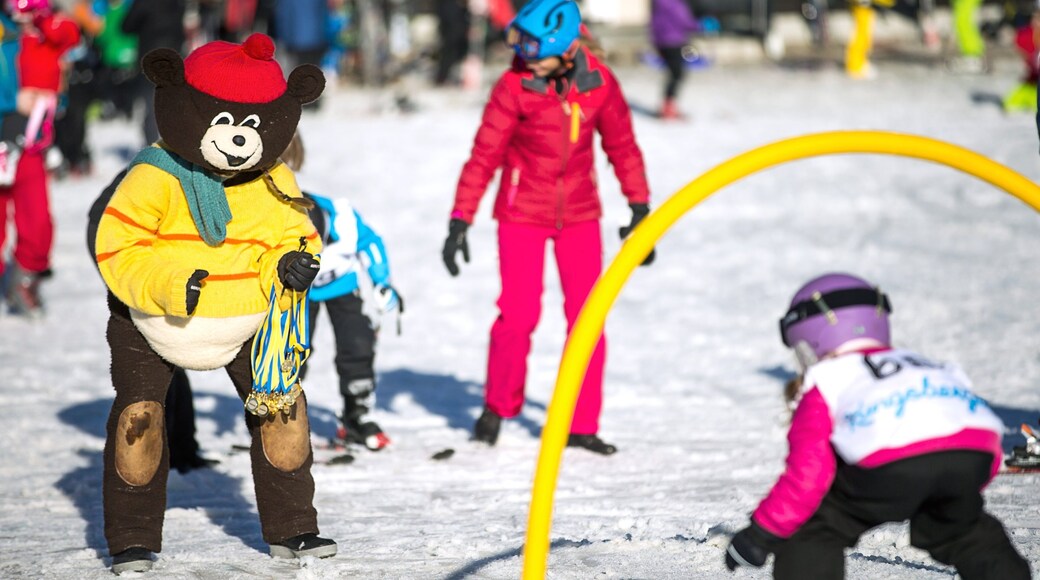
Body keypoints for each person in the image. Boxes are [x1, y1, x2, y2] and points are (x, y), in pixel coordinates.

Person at [442, 0, 654, 455]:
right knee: (518, 315)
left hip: (580, 214)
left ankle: (580, 423)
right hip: (522, 213)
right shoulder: (514, 86)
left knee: (588, 317)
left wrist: (638, 205)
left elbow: (623, 145)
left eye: (535, 46)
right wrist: (460, 219)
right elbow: (484, 156)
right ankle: (497, 406)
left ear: (564, 45)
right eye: (522, 43)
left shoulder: (599, 83)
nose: (525, 54)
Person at [724, 273, 1031, 579]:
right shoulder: (927, 364)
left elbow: (809, 472)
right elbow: (973, 430)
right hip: (973, 457)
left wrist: (761, 534)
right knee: (963, 529)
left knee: (813, 527)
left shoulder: (828, 380)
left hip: (891, 465)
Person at [280, 132, 404, 452]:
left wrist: (381, 282)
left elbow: (371, 244)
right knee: (292, 349)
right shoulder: (281, 223)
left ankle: (357, 414)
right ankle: (283, 415)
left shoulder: (343, 218)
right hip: (300, 294)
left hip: (342, 287)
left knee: (357, 344)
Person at [1, 0, 79, 317]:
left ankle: (25, 276)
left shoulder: (46, 33)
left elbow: (70, 36)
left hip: (30, 144)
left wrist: (43, 19)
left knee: (36, 218)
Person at [121, 0, 187, 147]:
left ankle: (152, 148)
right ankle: (174, 147)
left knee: (152, 106)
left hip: (150, 58)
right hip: (173, 57)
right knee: (170, 104)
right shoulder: (177, 3)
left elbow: (126, 26)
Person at [649, 0, 700, 120]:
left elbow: (653, 24)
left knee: (672, 74)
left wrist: (656, 42)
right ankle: (669, 108)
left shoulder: (658, 4)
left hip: (663, 43)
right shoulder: (676, 4)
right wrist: (698, 25)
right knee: (677, 74)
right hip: (675, 42)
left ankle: (667, 106)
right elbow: (684, 21)